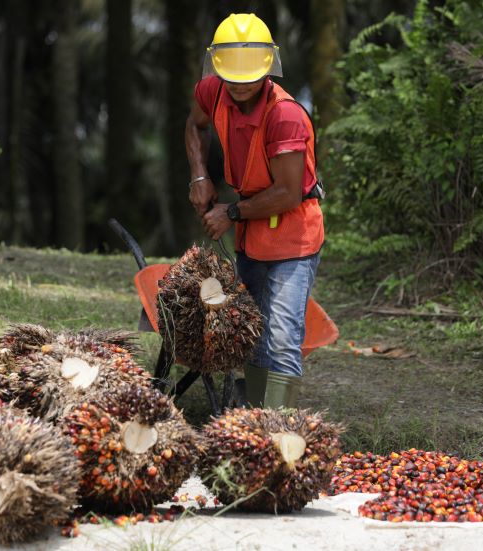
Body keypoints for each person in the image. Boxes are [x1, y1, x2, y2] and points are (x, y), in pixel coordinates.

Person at [185, 13, 324, 409]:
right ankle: (255, 418)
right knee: (254, 331)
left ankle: (277, 428)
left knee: (281, 338)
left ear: (267, 68)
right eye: (233, 77)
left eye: (249, 77)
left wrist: (230, 214)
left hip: (293, 236)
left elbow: (288, 194)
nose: (241, 85)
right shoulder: (213, 91)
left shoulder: (285, 116)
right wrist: (199, 176)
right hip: (253, 233)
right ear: (218, 68)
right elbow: (194, 125)